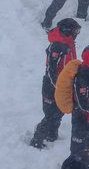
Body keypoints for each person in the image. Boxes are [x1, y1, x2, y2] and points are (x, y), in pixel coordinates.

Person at [30, 18, 81, 149]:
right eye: (75, 31)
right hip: (52, 84)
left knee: (59, 111)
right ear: (67, 30)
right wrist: (58, 85)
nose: (77, 33)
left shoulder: (69, 43)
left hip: (63, 84)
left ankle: (52, 136)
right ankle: (37, 140)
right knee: (51, 114)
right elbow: (51, 69)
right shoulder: (57, 45)